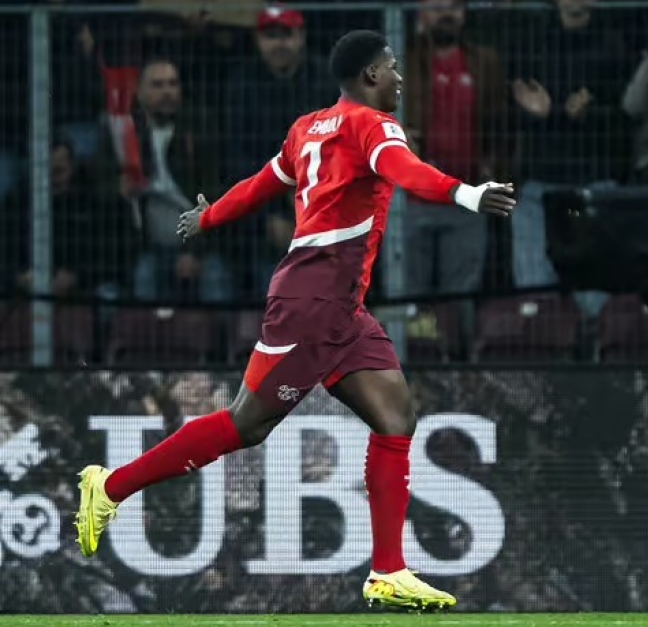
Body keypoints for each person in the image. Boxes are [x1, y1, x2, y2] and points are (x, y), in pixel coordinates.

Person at [73, 30, 516, 612]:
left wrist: (209, 217)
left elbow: (262, 184)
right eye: (390, 67)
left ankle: (388, 571)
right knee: (246, 424)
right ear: (369, 75)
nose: (398, 77)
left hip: (340, 308)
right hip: (313, 304)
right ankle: (109, 487)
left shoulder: (308, 127)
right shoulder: (375, 127)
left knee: (396, 416)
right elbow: (406, 171)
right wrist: (468, 195)